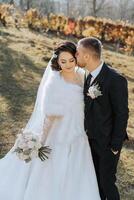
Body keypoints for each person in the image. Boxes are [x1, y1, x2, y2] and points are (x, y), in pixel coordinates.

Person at [0, 41, 101, 200]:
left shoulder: (82, 76)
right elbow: (48, 116)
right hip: (59, 136)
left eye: (71, 60)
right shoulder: (54, 82)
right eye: (63, 61)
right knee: (52, 172)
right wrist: (41, 140)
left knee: (77, 173)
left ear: (76, 58)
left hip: (78, 134)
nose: (68, 64)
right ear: (57, 62)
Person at [76, 37, 129, 200]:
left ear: (87, 57)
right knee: (96, 183)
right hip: (90, 141)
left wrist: (115, 145)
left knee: (107, 182)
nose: (75, 55)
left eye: (78, 53)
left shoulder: (115, 79)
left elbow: (122, 114)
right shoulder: (88, 76)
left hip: (107, 143)